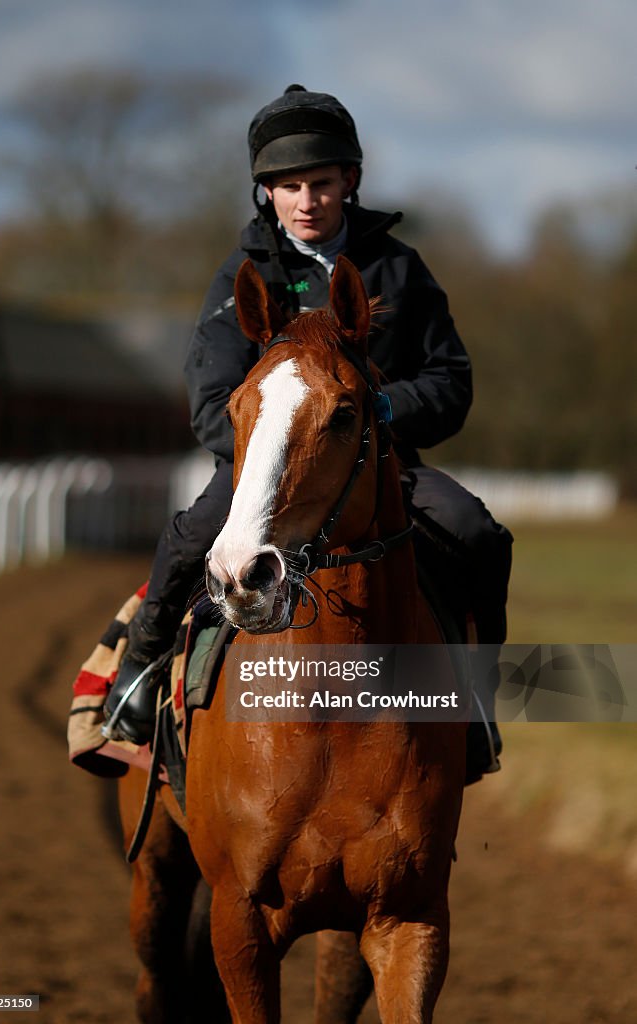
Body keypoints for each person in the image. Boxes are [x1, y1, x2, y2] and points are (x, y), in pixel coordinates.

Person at [104, 84, 513, 783]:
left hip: (385, 469)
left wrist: (381, 413)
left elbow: (450, 382)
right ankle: (137, 680)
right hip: (262, 473)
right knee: (188, 537)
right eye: (288, 186)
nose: (306, 201)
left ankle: (473, 700)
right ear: (265, 192)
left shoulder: (400, 270)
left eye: (320, 183)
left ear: (348, 180)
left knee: (475, 531)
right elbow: (210, 403)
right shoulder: (243, 275)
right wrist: (284, 448)